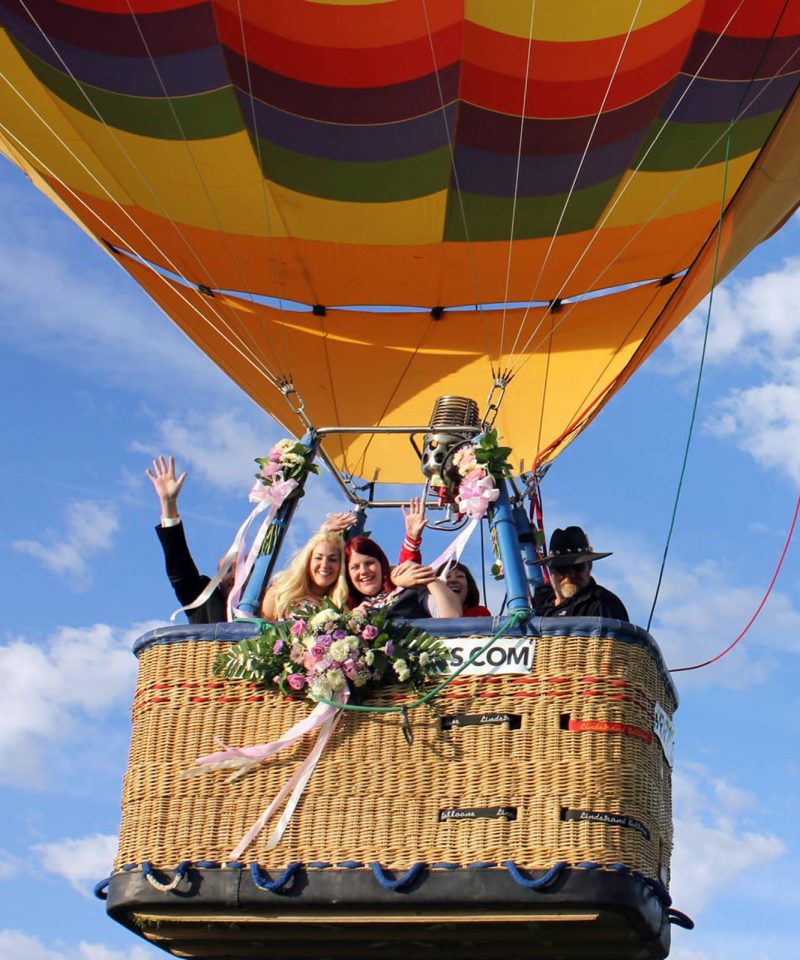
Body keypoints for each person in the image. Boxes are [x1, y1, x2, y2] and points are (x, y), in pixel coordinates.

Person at [146, 456, 231, 623]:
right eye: (227, 570)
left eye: (242, 569)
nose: (235, 575)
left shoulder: (265, 606)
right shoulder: (204, 599)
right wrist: (168, 503)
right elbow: (180, 568)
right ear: (219, 580)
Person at [345, 535, 462, 619]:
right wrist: (354, 624)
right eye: (355, 567)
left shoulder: (410, 592)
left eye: (369, 563)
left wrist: (426, 576)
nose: (364, 571)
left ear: (382, 564)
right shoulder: (346, 608)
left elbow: (452, 617)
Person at [532, 526, 629, 621]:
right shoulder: (537, 605)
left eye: (578, 567)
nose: (570, 575)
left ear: (589, 566)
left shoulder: (604, 604)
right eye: (562, 568)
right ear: (550, 570)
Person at [260, 531, 349, 620]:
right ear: (308, 561)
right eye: (318, 558)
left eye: (332, 559)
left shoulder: (342, 608)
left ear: (341, 566)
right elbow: (257, 630)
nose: (324, 565)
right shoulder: (280, 593)